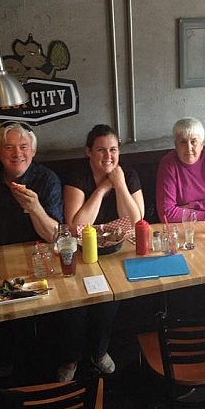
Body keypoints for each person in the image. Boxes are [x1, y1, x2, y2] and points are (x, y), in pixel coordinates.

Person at [0, 121, 62, 377]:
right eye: (9, 148)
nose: (17, 153)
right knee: (0, 330)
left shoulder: (47, 180)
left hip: (37, 262)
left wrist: (35, 208)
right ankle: (4, 375)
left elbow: (54, 237)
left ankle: (43, 370)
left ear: (33, 152)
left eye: (24, 147)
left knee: (47, 321)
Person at [61, 124, 144, 378]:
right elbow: (75, 226)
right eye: (101, 150)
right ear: (88, 152)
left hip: (118, 252)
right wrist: (102, 189)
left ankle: (99, 353)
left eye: (113, 150)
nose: (108, 156)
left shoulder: (127, 174)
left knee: (110, 301)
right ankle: (71, 359)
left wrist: (118, 184)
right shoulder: (78, 177)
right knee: (76, 308)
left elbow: (135, 220)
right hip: (82, 252)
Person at [156, 117, 205, 222]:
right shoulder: (168, 163)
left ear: (202, 144)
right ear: (175, 145)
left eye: (193, 141)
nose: (188, 148)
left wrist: (190, 206)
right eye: (183, 142)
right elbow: (167, 214)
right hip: (183, 229)